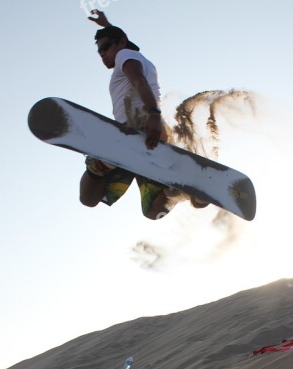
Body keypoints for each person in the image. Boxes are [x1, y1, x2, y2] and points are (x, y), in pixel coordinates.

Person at [80, 9, 206, 220]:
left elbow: (139, 81)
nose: (102, 54)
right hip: (150, 141)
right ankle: (187, 189)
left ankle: (100, 164)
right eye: (99, 51)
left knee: (88, 197)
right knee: (152, 210)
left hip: (133, 132)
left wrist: (153, 114)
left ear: (120, 43)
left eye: (105, 48)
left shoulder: (124, 56)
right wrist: (105, 25)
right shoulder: (132, 55)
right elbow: (125, 45)